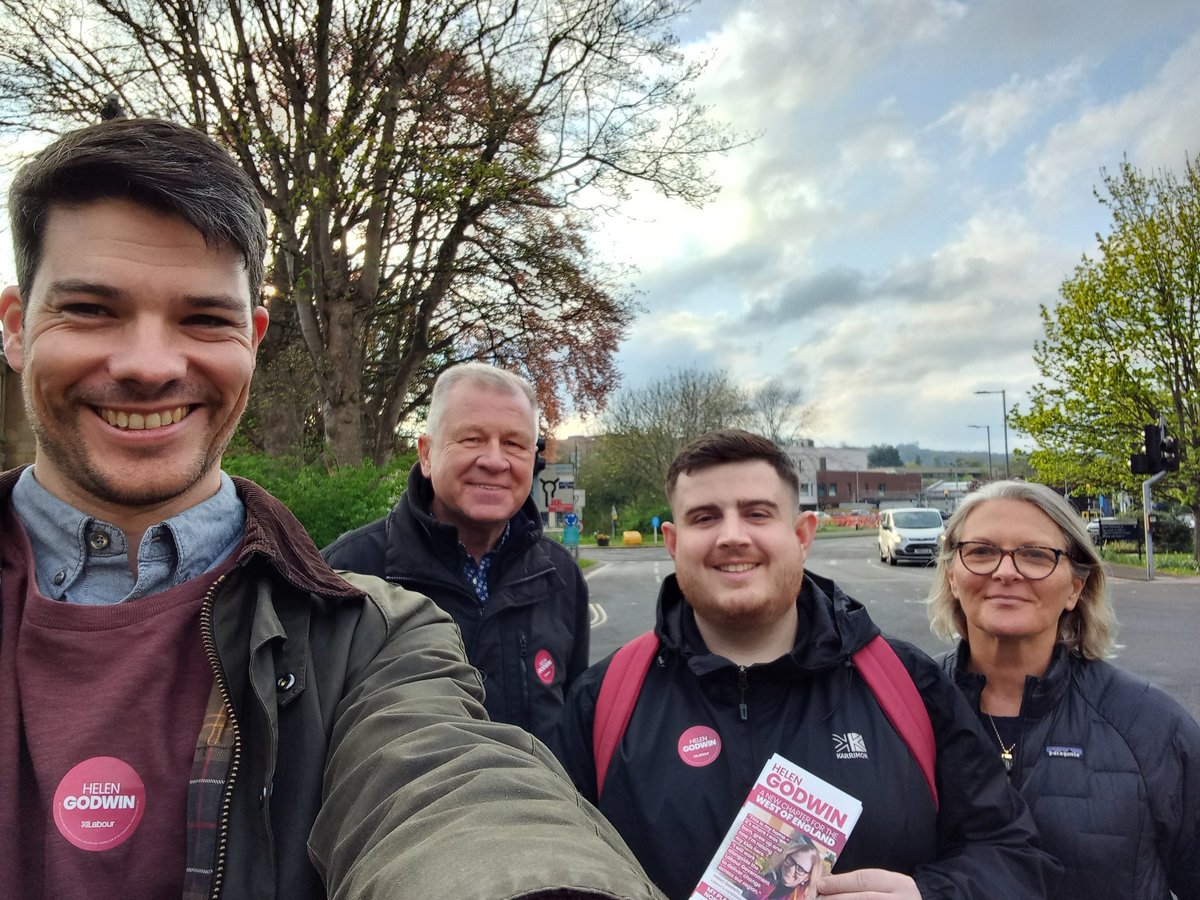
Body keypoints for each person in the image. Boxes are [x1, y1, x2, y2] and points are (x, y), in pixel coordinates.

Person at [0, 117, 662, 899]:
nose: (149, 365)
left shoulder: (369, 634)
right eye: (91, 309)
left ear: (251, 338)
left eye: (203, 318)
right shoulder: (360, 565)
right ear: (15, 326)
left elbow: (453, 783)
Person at [553, 429, 1060, 900]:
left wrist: (930, 895)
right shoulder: (603, 701)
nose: (732, 536)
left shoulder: (907, 685)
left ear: (802, 534)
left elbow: (1012, 856)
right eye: (705, 517)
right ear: (673, 542)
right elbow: (553, 872)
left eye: (757, 513)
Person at [928, 480, 1200, 900]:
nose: (1005, 571)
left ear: (1075, 587)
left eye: (1035, 555)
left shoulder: (1151, 727)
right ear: (952, 575)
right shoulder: (902, 710)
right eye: (981, 551)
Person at [322, 362, 588, 743]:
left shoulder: (561, 577)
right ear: (427, 454)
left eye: (513, 444)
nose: (495, 461)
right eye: (472, 439)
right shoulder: (345, 574)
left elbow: (575, 735)